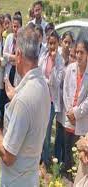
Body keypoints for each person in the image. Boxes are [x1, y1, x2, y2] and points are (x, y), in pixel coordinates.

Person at [0, 26, 51, 187]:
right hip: (30, 179)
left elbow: (8, 156)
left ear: (18, 55)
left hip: (15, 181)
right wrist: (15, 96)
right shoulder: (43, 86)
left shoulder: (23, 101)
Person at [64, 38, 88, 179]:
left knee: (79, 154)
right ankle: (66, 179)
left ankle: (77, 180)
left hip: (81, 120)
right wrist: (69, 112)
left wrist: (76, 113)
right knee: (68, 151)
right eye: (77, 52)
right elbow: (66, 92)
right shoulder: (70, 69)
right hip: (69, 119)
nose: (78, 55)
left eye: (82, 52)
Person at [39, 31, 64, 167]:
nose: (52, 46)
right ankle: (42, 155)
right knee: (41, 128)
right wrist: (46, 81)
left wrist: (54, 63)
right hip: (42, 98)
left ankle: (46, 159)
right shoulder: (44, 55)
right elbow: (39, 72)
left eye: (54, 43)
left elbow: (56, 81)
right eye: (50, 43)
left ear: (58, 43)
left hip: (52, 101)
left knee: (47, 130)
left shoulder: (59, 61)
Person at [54, 31, 74, 167]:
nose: (67, 45)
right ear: (61, 42)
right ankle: (56, 158)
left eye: (69, 43)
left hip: (68, 102)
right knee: (58, 129)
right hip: (58, 98)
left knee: (65, 131)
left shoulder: (73, 61)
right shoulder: (58, 58)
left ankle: (64, 161)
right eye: (65, 42)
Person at [3, 14, 22, 88]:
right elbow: (4, 55)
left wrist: (10, 58)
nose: (15, 29)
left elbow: (21, 58)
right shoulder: (9, 37)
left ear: (21, 27)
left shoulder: (23, 40)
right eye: (14, 26)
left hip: (18, 73)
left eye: (17, 27)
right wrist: (14, 57)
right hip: (9, 71)